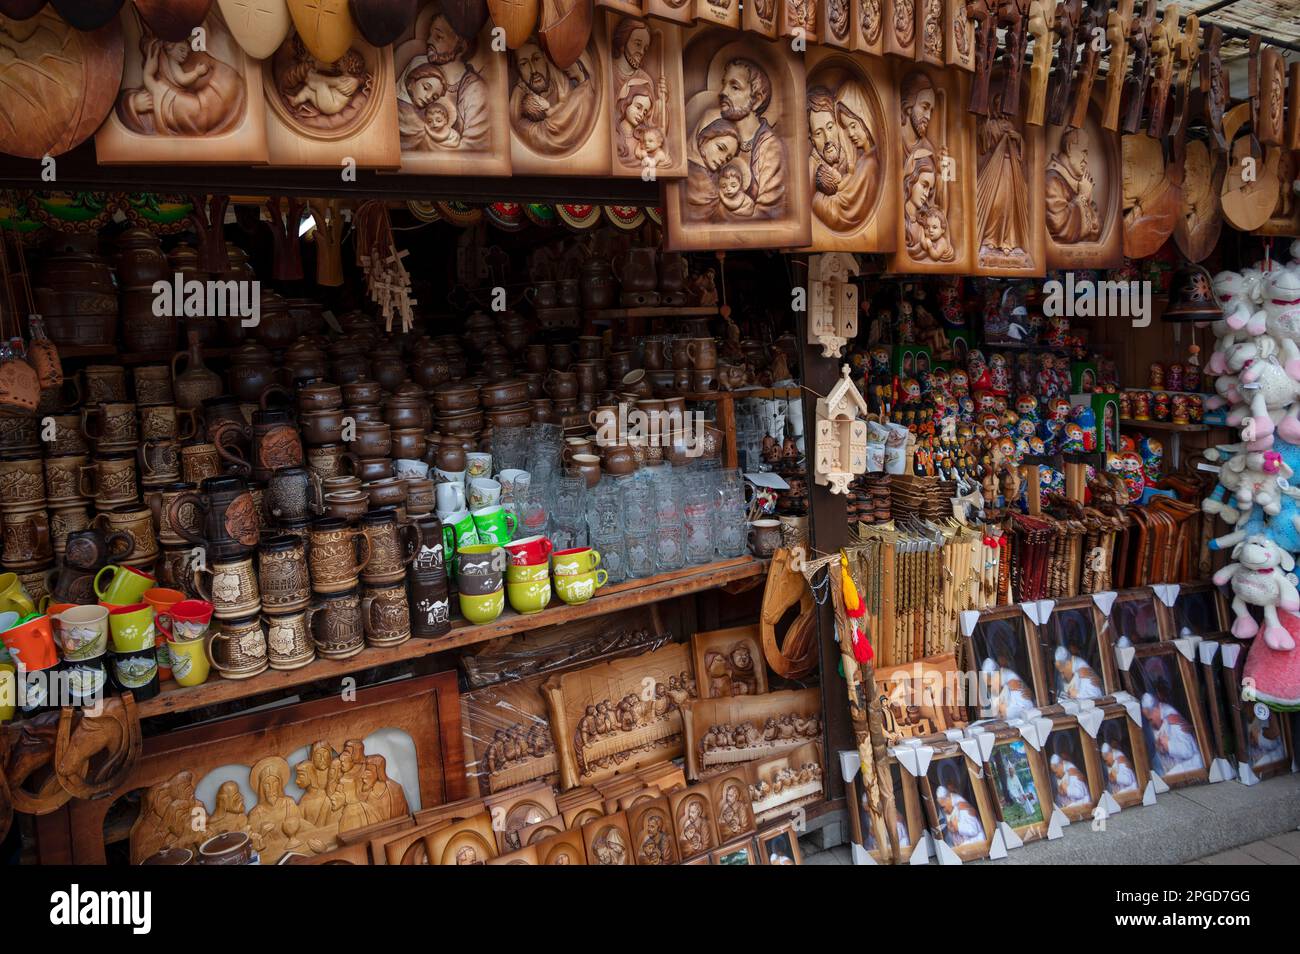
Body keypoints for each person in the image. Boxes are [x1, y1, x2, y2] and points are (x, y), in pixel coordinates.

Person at [1045, 127, 1101, 243]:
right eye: (1084, 152)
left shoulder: (1079, 183)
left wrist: (1085, 198)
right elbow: (1059, 228)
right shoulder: (1051, 181)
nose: (1086, 160)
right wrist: (1083, 198)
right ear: (1069, 148)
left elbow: (1097, 228)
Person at [1141, 692, 1204, 777]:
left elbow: (1188, 750)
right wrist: (1161, 748)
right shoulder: (1156, 721)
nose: (1151, 723)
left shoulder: (1172, 718)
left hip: (1191, 767)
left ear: (1156, 710)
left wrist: (1168, 745)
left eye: (1151, 720)